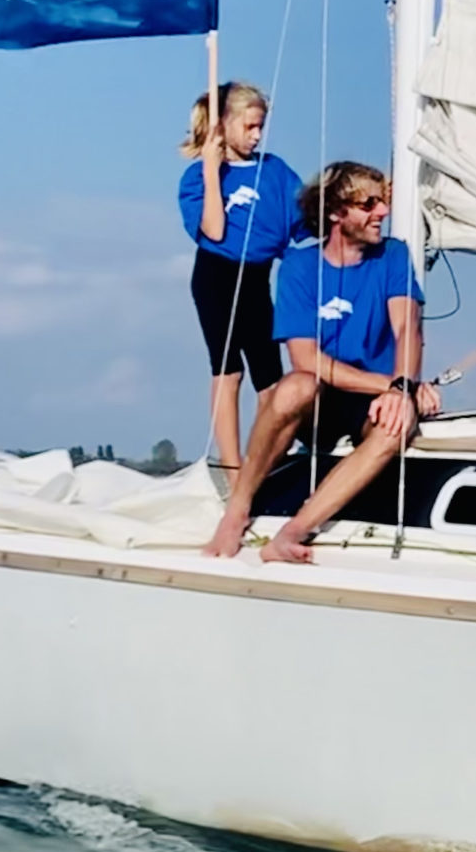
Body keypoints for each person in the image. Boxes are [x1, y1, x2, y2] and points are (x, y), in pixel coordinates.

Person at [200, 161, 441, 563]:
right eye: (368, 204)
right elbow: (306, 358)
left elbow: (407, 328)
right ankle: (236, 510)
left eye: (382, 202)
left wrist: (402, 390)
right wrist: (399, 386)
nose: (382, 212)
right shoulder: (299, 266)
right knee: (294, 385)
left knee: (394, 427)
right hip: (322, 395)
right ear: (335, 213)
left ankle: (292, 534)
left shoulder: (393, 255)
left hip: (373, 401)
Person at [178, 82, 303, 472]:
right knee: (229, 370)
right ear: (224, 125)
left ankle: (260, 465)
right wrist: (212, 171)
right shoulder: (197, 178)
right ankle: (232, 470)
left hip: (258, 279)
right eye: (249, 126)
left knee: (271, 382)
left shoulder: (276, 172)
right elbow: (214, 231)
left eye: (260, 126)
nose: (256, 135)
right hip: (216, 275)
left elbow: (305, 222)